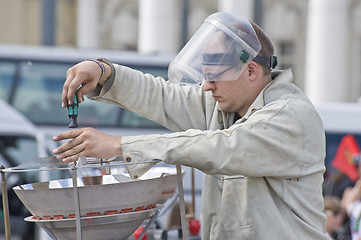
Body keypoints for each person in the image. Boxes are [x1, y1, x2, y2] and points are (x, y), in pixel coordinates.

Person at [53, 12, 329, 239]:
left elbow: (222, 148)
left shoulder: (291, 116)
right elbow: (161, 96)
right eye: (204, 76)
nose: (206, 87)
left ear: (251, 71)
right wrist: (104, 72)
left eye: (215, 77)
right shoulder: (222, 103)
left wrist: (119, 145)